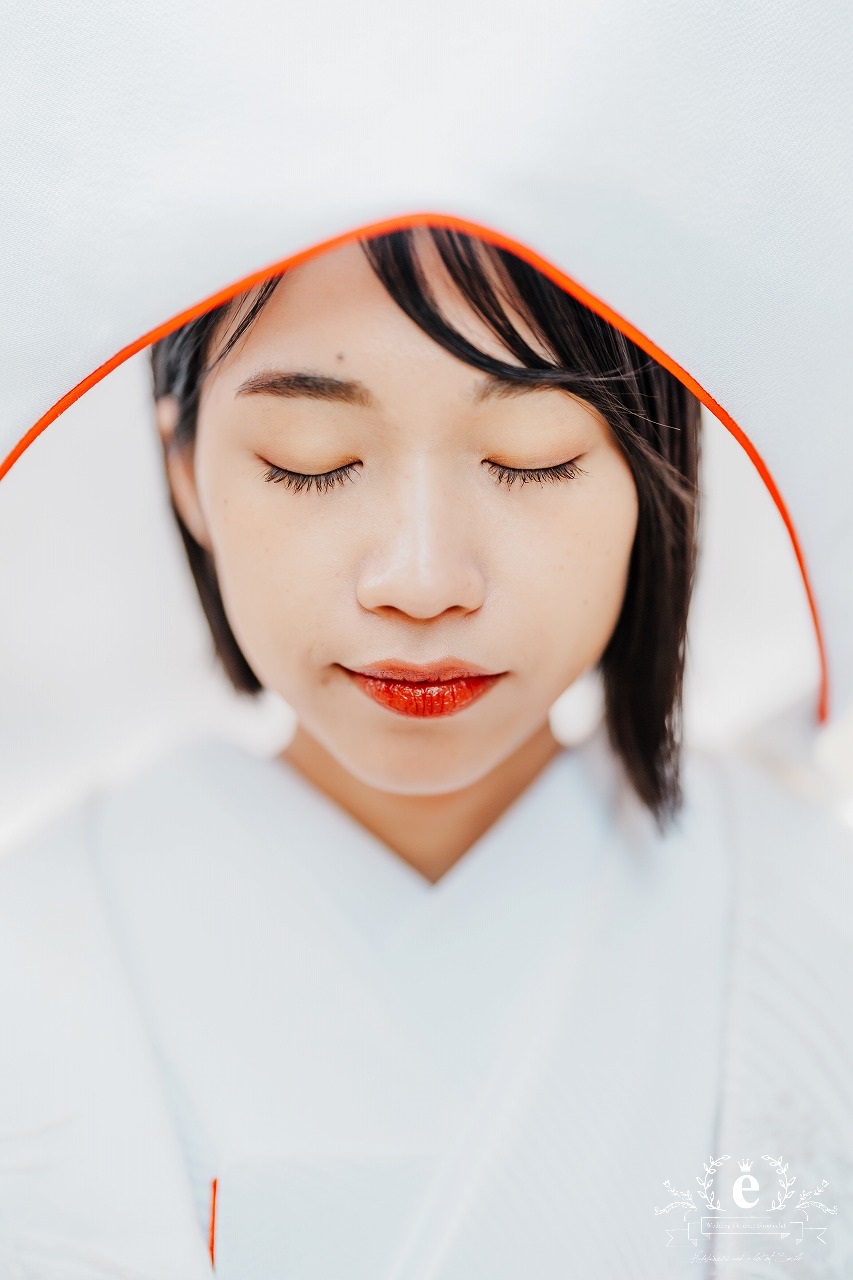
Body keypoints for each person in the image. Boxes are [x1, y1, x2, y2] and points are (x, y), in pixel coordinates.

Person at [0, 225, 851, 1280]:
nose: (420, 577)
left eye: (530, 456)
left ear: (653, 465)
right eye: (309, 460)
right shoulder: (32, 943)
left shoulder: (807, 906)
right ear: (184, 468)